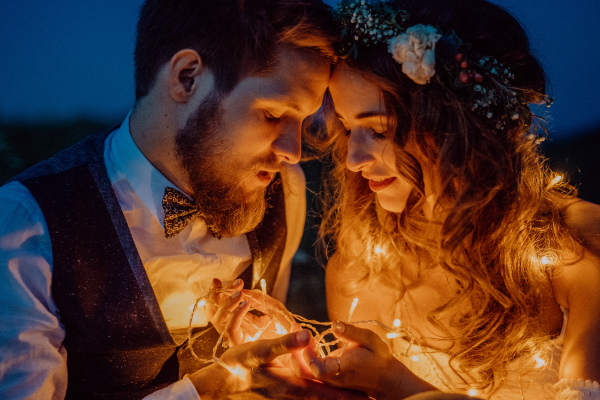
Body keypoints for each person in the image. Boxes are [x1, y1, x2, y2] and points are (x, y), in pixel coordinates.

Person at [0, 0, 364, 398]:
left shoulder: (284, 191)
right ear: (187, 77)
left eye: (303, 120)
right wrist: (215, 385)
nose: (292, 152)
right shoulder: (27, 223)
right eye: (274, 115)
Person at [298, 0, 600, 399]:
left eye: (381, 131)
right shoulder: (356, 274)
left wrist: (396, 382)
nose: (353, 160)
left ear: (459, 128)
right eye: (348, 128)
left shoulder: (574, 254)